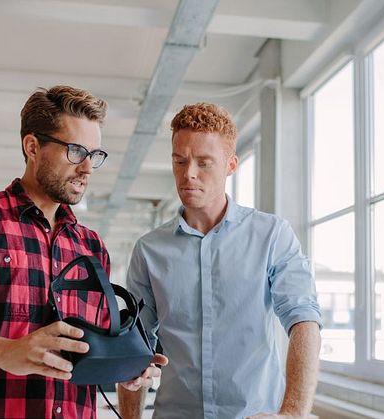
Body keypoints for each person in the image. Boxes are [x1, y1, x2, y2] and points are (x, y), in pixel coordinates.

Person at [0, 85, 165, 419]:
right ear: (32, 146)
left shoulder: (90, 246)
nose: (86, 168)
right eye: (75, 151)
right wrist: (5, 351)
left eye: (95, 156)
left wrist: (123, 368)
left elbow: (86, 355)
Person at [117, 103, 322, 419]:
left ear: (231, 164)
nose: (189, 174)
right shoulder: (149, 251)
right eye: (180, 161)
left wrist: (292, 414)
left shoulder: (272, 236)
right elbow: (135, 345)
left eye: (204, 162)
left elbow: (304, 321)